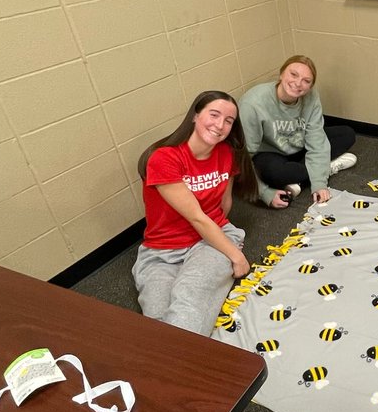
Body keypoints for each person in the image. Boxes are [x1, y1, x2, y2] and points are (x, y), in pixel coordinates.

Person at [132, 90, 257, 336]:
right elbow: (196, 217)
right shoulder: (163, 158)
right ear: (195, 115)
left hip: (213, 239)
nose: (220, 125)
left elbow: (224, 204)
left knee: (190, 297)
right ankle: (177, 360)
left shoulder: (227, 154)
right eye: (214, 114)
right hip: (162, 251)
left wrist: (229, 249)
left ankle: (177, 366)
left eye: (229, 121)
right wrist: (238, 258)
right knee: (157, 315)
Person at [239, 55, 357, 208]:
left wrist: (319, 184)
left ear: (310, 86)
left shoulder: (311, 96)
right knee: (274, 174)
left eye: (306, 81)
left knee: (347, 134)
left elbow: (316, 139)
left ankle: (303, 178)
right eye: (293, 74)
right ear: (281, 74)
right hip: (270, 154)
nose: (298, 83)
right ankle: (324, 167)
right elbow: (242, 157)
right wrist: (265, 193)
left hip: (299, 146)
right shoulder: (253, 103)